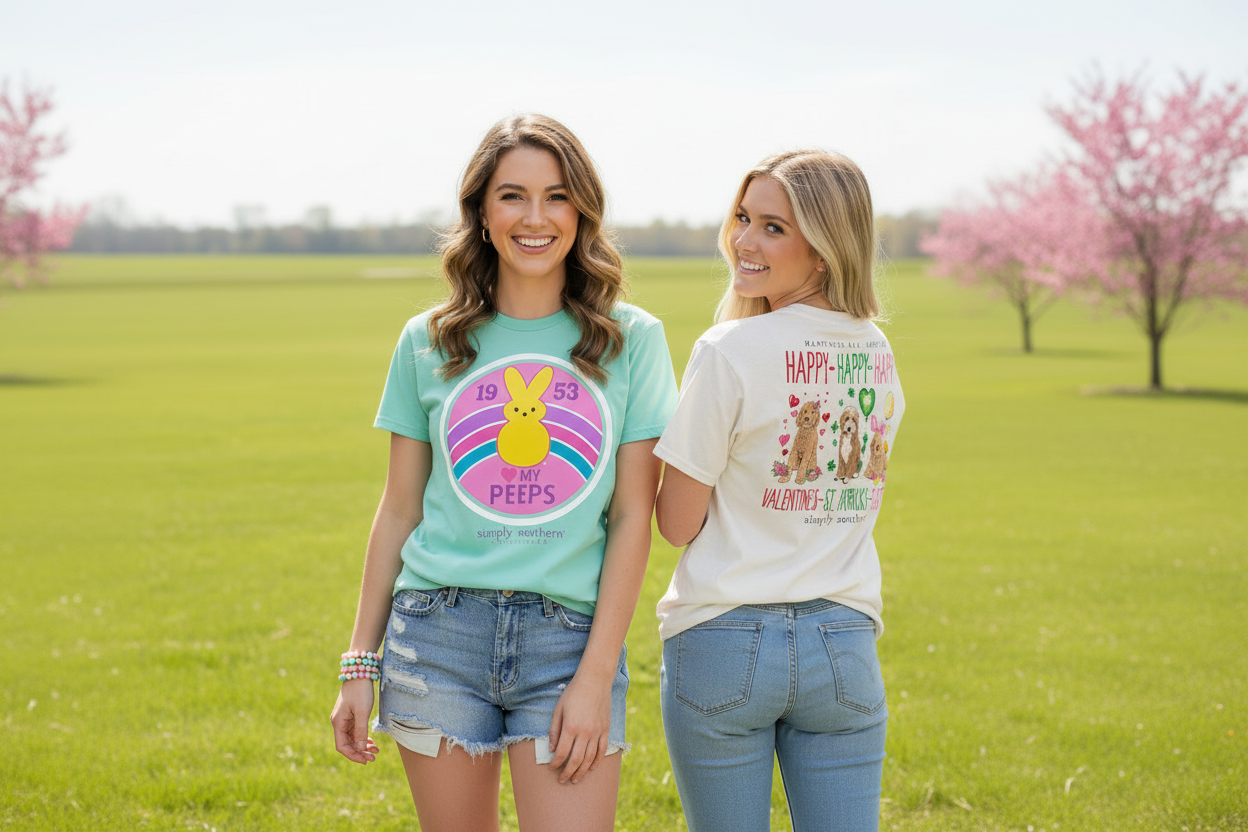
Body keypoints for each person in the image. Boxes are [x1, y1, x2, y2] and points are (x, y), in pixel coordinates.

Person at [330, 114, 678, 832]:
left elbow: (631, 516)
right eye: (512, 195)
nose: (535, 217)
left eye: (557, 197)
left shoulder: (631, 339)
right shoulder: (430, 340)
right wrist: (358, 664)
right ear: (482, 213)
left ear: (581, 212)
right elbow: (398, 510)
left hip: (567, 642)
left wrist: (593, 677)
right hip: (437, 634)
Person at [653, 150, 904, 832]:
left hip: (724, 640)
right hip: (845, 645)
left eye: (773, 227)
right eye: (743, 218)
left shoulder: (727, 349)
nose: (744, 240)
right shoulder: (876, 353)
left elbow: (677, 524)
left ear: (823, 250)